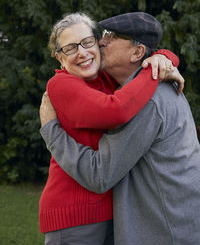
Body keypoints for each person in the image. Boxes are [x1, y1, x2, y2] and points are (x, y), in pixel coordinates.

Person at [40, 13, 200, 245]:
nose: (101, 42)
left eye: (110, 37)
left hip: (166, 228)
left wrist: (163, 57)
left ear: (137, 53)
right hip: (75, 215)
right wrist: (161, 59)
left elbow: (102, 169)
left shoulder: (144, 97)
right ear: (59, 57)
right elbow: (114, 110)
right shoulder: (72, 83)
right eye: (102, 36)